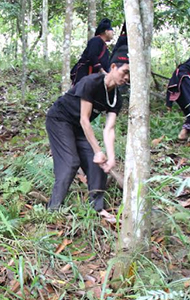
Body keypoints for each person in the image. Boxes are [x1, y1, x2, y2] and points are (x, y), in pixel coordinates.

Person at [46, 39, 130, 213]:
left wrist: (111, 157)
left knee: (97, 166)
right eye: (125, 72)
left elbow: (109, 128)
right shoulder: (91, 82)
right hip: (60, 119)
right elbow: (85, 119)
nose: (127, 78)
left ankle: (97, 208)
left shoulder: (116, 98)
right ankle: (53, 209)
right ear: (113, 67)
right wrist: (98, 150)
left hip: (76, 126)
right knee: (70, 162)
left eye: (130, 75)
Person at [70, 18, 115, 85]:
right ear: (106, 31)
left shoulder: (104, 45)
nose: (113, 33)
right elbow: (92, 56)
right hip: (85, 74)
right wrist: (102, 71)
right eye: (112, 31)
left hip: (95, 77)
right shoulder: (96, 40)